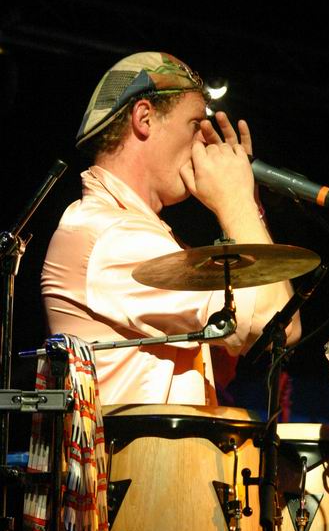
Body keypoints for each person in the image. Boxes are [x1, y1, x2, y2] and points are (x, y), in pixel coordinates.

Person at [41, 51, 301, 406]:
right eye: (195, 125)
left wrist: (248, 208)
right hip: (133, 445)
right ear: (144, 118)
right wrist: (236, 203)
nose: (203, 143)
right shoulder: (110, 236)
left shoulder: (137, 232)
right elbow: (277, 326)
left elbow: (237, 355)